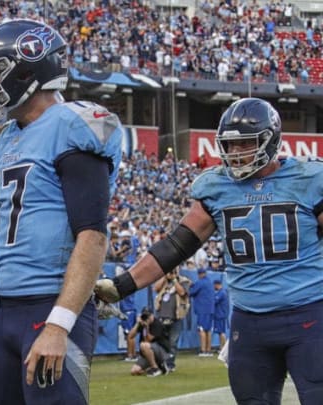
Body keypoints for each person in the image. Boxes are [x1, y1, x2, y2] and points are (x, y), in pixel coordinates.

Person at [95, 97, 323, 405]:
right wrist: (121, 285)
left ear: (271, 141)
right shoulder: (217, 187)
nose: (236, 153)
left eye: (245, 144)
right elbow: (175, 246)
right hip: (250, 322)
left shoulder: (309, 179)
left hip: (308, 316)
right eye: (229, 146)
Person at [0, 20, 124, 405]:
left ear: (27, 69)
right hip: (6, 314)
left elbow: (93, 236)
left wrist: (59, 324)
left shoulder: (71, 125)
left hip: (50, 306)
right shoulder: (9, 137)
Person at [152, 268, 190, 371]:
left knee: (172, 342)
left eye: (174, 270)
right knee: (160, 341)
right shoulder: (163, 280)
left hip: (176, 316)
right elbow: (155, 288)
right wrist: (165, 276)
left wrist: (174, 280)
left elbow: (182, 292)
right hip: (162, 316)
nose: (172, 272)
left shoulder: (183, 280)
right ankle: (160, 363)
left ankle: (170, 364)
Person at [128, 308, 170, 377]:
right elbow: (130, 336)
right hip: (148, 352)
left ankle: (155, 368)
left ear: (152, 315)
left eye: (148, 316)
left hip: (161, 351)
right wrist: (137, 324)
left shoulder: (157, 324)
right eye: (145, 316)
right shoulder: (142, 323)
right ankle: (156, 366)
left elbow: (148, 340)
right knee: (134, 371)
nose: (146, 318)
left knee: (143, 345)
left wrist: (147, 328)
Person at [190, 267, 215, 356]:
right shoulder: (210, 282)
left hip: (202, 310)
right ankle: (208, 350)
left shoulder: (200, 282)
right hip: (211, 310)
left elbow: (191, 292)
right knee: (208, 330)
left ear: (200, 274)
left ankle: (203, 350)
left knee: (202, 330)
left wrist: (190, 285)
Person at [213, 279, 229, 351]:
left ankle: (225, 349)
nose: (214, 286)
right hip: (221, 314)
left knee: (221, 332)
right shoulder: (222, 292)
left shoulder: (221, 293)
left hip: (220, 315)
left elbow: (215, 301)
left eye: (214, 285)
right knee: (220, 332)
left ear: (217, 284)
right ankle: (222, 348)